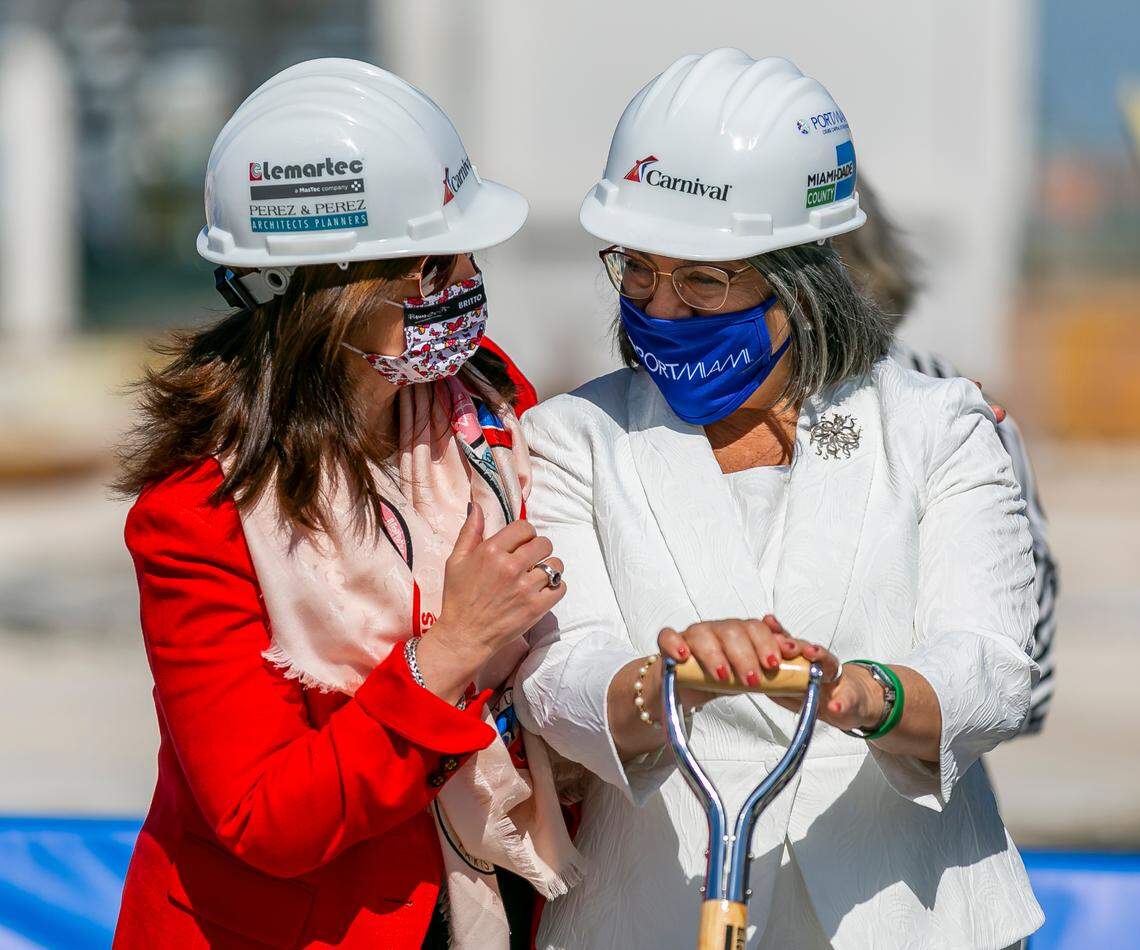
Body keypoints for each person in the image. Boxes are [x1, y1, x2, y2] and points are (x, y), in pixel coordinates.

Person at [515, 49, 1042, 949]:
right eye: (637, 270)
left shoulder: (936, 426)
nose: (662, 309)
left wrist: (862, 694)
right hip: (655, 917)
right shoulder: (573, 439)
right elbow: (559, 678)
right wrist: (668, 683)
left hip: (911, 915)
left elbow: (991, 670)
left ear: (801, 276)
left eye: (705, 279)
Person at [112, 58, 581, 950]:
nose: (470, 278)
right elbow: (264, 818)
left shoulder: (483, 401)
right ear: (336, 293)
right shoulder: (197, 512)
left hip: (501, 904)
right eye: (437, 264)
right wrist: (447, 656)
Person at [832, 182, 1058, 734]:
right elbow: (1036, 664)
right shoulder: (955, 395)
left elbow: (1019, 670)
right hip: (919, 766)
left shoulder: (955, 408)